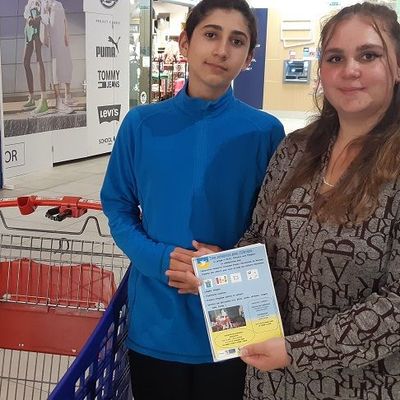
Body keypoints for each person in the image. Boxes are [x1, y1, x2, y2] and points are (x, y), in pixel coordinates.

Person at [100, 0, 284, 398]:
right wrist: (159, 258)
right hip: (156, 317)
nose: (221, 50)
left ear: (249, 57)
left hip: (235, 318)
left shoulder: (266, 133)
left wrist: (226, 266)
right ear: (185, 43)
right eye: (211, 34)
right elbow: (117, 205)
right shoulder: (141, 125)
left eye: (237, 41)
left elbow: (277, 224)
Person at [233, 3, 400, 399]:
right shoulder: (296, 149)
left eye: (369, 55)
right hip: (269, 381)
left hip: (363, 385)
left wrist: (297, 352)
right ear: (322, 70)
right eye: (335, 57)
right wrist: (220, 274)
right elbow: (258, 236)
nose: (350, 69)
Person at [41, 0, 75, 114]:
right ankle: (58, 101)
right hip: (54, 39)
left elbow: (64, 19)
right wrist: (47, 10)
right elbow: (45, 21)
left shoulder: (58, 3)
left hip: (61, 38)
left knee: (67, 65)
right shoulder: (44, 4)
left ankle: (67, 96)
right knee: (56, 69)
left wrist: (66, 34)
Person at [23, 0, 48, 114]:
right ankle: (32, 97)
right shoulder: (30, 1)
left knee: (39, 59)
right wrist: (29, 19)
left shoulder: (43, 1)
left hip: (37, 29)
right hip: (28, 29)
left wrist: (37, 19)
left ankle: (43, 100)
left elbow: (46, 15)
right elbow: (26, 13)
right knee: (25, 62)